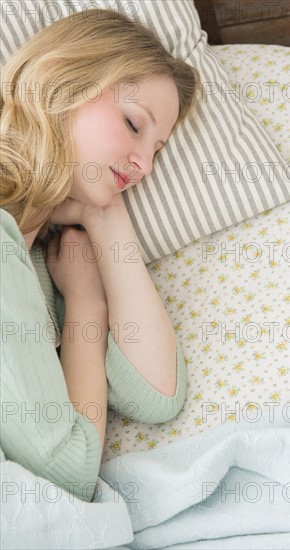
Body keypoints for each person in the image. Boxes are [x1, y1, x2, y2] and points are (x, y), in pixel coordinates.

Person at [0, 8, 201, 503]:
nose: (146, 167)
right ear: (58, 81)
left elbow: (155, 393)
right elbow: (66, 473)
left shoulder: (41, 260)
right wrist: (87, 305)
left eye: (158, 150)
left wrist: (106, 219)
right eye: (134, 125)